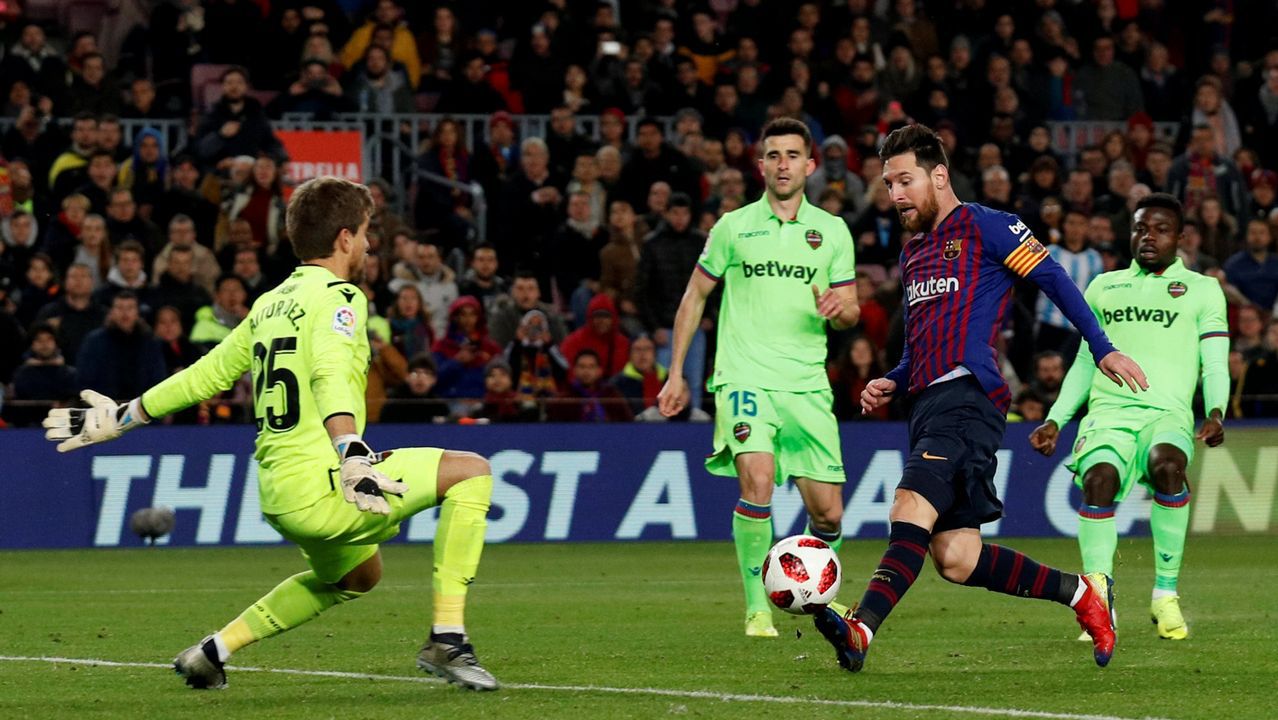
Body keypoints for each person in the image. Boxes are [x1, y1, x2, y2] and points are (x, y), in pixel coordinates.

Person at [42, 177, 499, 691]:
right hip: (329, 483)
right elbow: (329, 371)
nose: (370, 244)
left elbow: (207, 374)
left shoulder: (269, 304)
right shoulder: (341, 297)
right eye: (366, 232)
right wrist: (351, 450)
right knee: (472, 473)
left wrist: (124, 416)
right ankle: (448, 639)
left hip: (280, 494)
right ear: (345, 238)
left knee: (358, 577)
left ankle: (214, 651)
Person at [812, 123, 1148, 673]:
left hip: (968, 397)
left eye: (905, 181)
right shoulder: (914, 254)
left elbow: (1054, 279)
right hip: (926, 405)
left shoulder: (989, 226)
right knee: (957, 557)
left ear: (939, 176)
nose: (895, 195)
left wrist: (1102, 347)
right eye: (889, 184)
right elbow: (919, 343)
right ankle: (1083, 592)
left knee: (909, 505)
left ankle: (861, 627)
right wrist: (894, 378)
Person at [656, 118, 860, 638]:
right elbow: (694, 296)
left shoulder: (832, 231)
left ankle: (817, 593)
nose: (783, 164)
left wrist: (840, 309)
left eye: (792, 155)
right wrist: (676, 373)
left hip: (806, 385)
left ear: (810, 165)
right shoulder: (733, 227)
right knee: (758, 481)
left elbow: (852, 311)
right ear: (761, 165)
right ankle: (756, 608)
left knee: (829, 514)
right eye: (773, 155)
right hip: (743, 377)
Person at [1030, 194, 1228, 641]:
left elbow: (1215, 361)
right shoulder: (1104, 287)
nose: (1148, 237)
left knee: (1168, 466)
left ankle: (1165, 594)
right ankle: (1099, 604)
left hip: (1168, 413)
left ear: (1181, 237)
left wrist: (1216, 410)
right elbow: (1086, 361)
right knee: (1099, 478)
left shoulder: (1203, 289)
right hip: (1108, 414)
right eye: (1141, 228)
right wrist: (1056, 419)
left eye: (1160, 229)